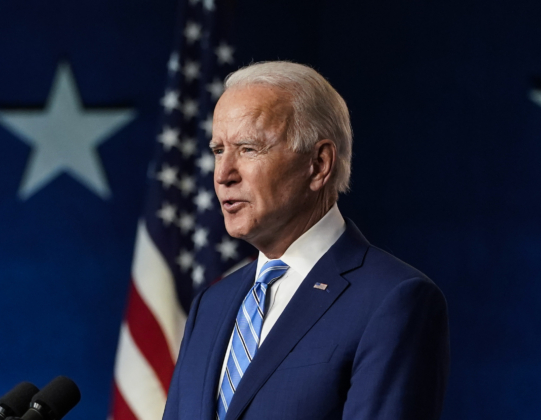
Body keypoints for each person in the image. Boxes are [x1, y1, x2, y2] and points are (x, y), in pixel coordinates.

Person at [162, 61, 450, 420]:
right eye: (219, 150)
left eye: (248, 149)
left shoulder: (394, 301)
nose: (223, 174)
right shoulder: (210, 306)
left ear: (318, 164)